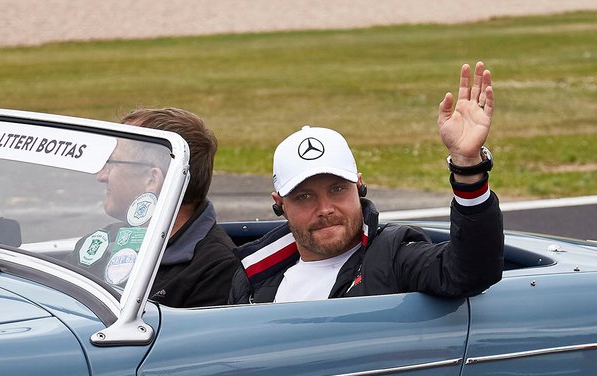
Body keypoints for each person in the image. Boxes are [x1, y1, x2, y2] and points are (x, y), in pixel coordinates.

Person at [229, 62, 504, 304]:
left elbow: (471, 271)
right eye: (304, 197)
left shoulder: (393, 256)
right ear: (280, 205)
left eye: (337, 189)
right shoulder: (253, 275)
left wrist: (468, 165)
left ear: (359, 187)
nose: (325, 208)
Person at [74, 107, 240, 308]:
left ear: (151, 180)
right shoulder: (102, 242)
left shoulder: (215, 269)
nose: (101, 175)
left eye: (112, 162)